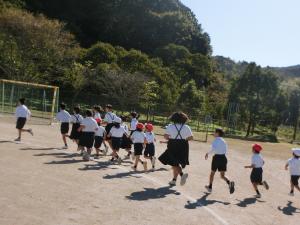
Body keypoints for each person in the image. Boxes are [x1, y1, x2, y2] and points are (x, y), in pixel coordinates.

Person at [159, 112, 193, 186]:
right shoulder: (186, 127)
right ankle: (174, 180)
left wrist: (171, 138)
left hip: (172, 145)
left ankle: (182, 175)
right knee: (176, 162)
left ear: (173, 118)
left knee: (173, 162)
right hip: (183, 145)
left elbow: (166, 136)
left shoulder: (170, 126)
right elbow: (191, 138)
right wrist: (183, 139)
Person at [205, 128, 235, 194]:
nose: (213, 133)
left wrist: (207, 153)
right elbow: (224, 148)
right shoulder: (223, 141)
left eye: (214, 132)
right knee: (222, 175)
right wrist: (215, 135)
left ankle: (210, 187)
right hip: (223, 158)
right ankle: (229, 183)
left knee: (212, 173)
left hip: (216, 158)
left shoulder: (215, 140)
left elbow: (214, 149)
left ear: (217, 133)